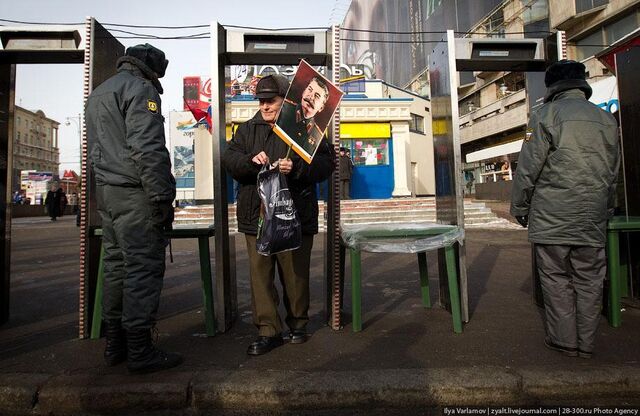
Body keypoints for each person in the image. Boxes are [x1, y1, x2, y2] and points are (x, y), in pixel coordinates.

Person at [510, 60, 619, 359]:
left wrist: (519, 205)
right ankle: (586, 343)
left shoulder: (544, 116)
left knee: (556, 278)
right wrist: (607, 208)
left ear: (553, 87)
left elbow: (529, 167)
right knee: (590, 278)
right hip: (592, 215)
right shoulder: (606, 120)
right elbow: (613, 172)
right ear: (582, 85)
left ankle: (564, 341)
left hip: (552, 215)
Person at [222, 74, 335, 356]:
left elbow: (326, 164)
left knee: (295, 274)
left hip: (295, 215)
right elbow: (230, 160)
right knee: (260, 277)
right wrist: (250, 162)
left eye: (270, 101)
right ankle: (268, 331)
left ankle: (298, 324)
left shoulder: (306, 129)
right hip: (256, 216)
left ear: (285, 101)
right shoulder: (247, 130)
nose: (265, 106)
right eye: (260, 101)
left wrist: (295, 167)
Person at [86, 43, 181, 374]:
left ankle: (115, 345)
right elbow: (148, 148)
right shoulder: (141, 91)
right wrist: (161, 198)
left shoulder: (99, 92)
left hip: (108, 194)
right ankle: (141, 351)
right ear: (150, 69)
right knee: (142, 267)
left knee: (115, 264)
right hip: (135, 194)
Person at [277, 76, 329, 156]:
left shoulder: (318, 136)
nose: (311, 97)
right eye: (309, 90)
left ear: (321, 108)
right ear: (304, 91)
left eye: (317, 96)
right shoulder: (282, 111)